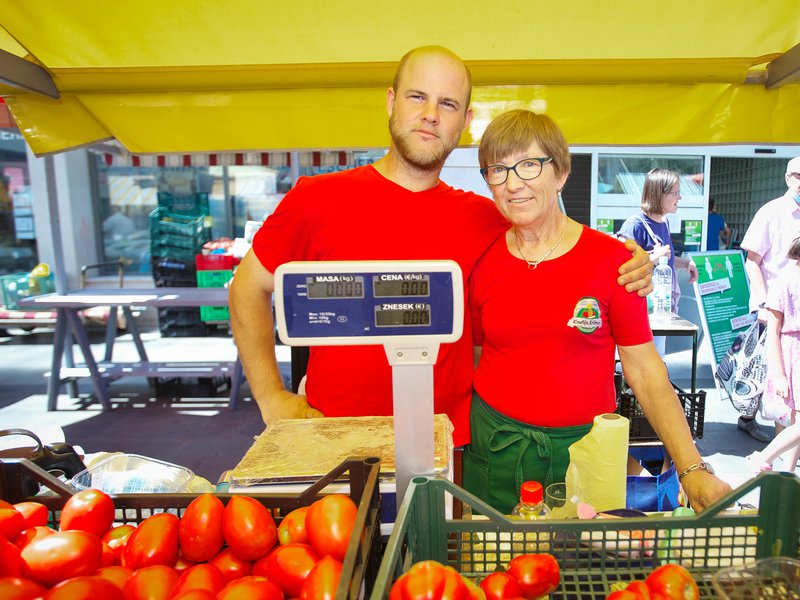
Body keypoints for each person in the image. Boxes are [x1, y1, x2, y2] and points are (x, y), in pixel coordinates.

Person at [228, 46, 653, 449]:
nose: (430, 115)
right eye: (417, 97)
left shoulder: (488, 219)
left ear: (465, 120)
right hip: (333, 440)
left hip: (450, 447)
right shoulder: (316, 200)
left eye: (447, 104)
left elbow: (553, 241)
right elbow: (246, 287)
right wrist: (270, 398)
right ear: (391, 101)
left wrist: (627, 259)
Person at [464, 109, 732, 513]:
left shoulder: (613, 261)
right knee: (495, 566)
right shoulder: (480, 259)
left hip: (586, 452)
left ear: (561, 172)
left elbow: (644, 370)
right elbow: (478, 355)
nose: (513, 183)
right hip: (498, 449)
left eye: (529, 165)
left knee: (585, 570)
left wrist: (691, 466)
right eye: (497, 170)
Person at [737, 156, 800, 442]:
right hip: (775, 305)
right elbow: (753, 260)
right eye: (799, 175)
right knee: (768, 370)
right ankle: (754, 423)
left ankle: (788, 439)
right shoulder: (772, 211)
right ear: (788, 178)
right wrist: (761, 303)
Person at [745, 236, 800, 474]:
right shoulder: (784, 281)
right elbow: (773, 331)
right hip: (792, 353)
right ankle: (763, 457)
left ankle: (786, 474)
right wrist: (778, 374)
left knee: (797, 422)